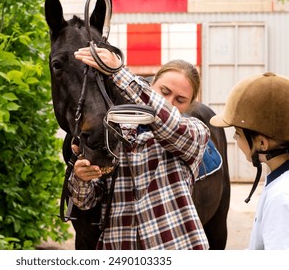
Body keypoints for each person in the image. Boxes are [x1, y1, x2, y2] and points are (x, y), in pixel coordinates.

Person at [70, 46, 210, 250]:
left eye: (180, 100)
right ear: (151, 86)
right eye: (164, 92)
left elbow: (168, 122)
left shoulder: (195, 133)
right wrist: (82, 178)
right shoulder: (115, 133)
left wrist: (118, 72)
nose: (168, 102)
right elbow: (87, 201)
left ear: (190, 106)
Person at [210, 72, 289, 250]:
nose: (235, 139)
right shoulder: (280, 182)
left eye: (238, 133)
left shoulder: (281, 198)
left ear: (261, 143)